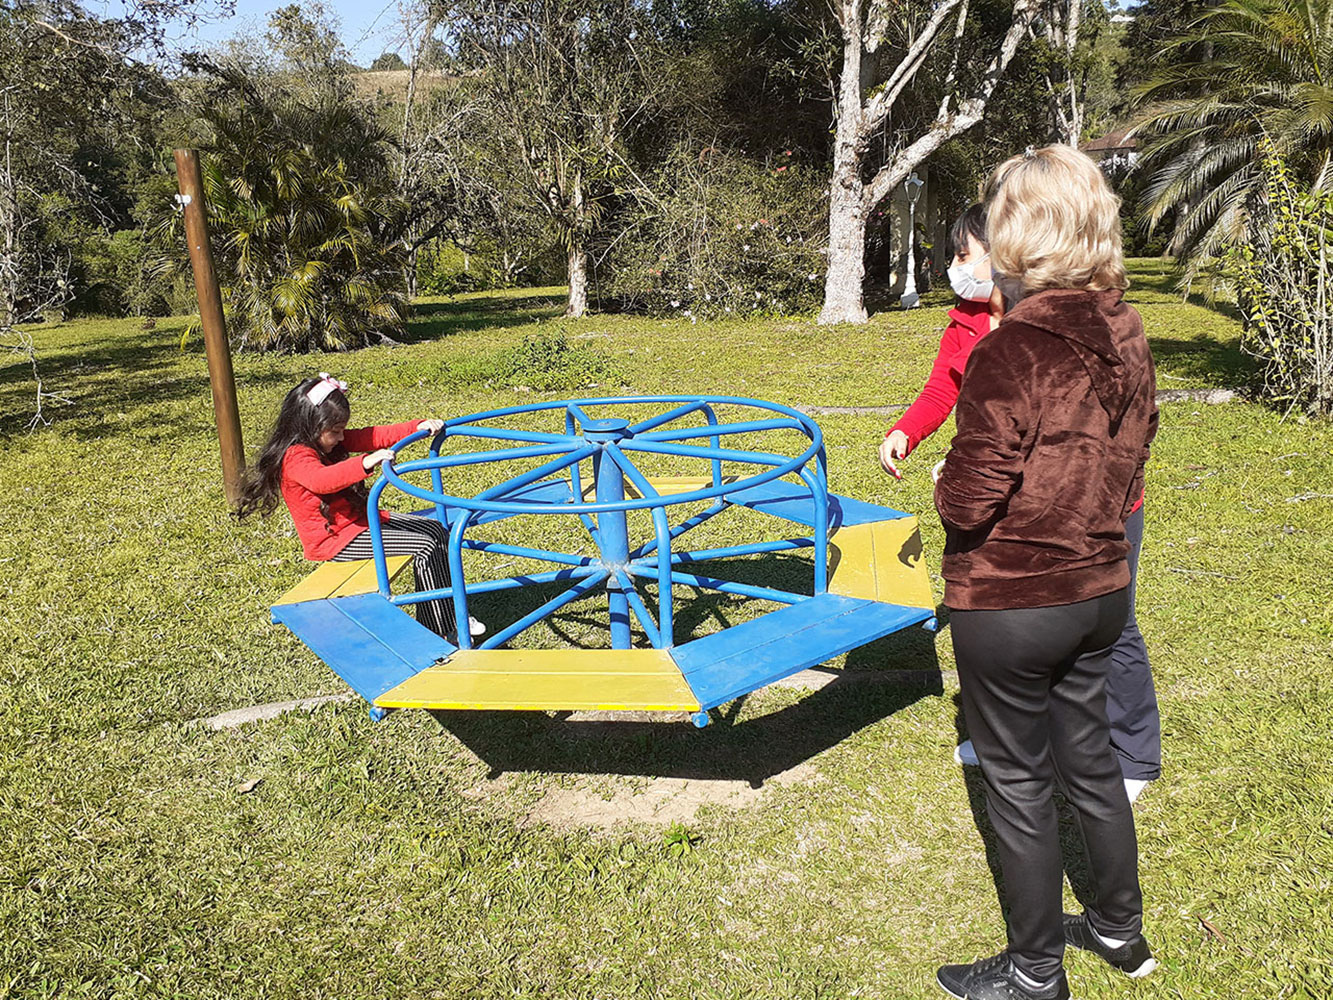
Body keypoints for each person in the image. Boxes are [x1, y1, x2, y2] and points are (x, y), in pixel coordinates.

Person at [932, 146, 1159, 1000]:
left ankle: (1033, 973)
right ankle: (1118, 930)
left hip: (1012, 599)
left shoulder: (1012, 348)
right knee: (1089, 761)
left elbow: (968, 499)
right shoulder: (1125, 328)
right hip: (1100, 588)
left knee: (1019, 784)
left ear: (1017, 232)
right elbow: (1132, 454)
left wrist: (947, 477)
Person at [880, 207, 1161, 804]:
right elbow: (944, 385)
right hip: (1001, 499)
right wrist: (910, 430)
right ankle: (1006, 740)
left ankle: (1133, 752)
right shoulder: (965, 321)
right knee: (1001, 621)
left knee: (1110, 624)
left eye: (963, 255)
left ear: (1005, 250)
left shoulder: (1064, 322)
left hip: (1092, 504)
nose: (956, 268)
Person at [236, 374, 472, 641]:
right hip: (336, 540)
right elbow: (322, 480)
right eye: (335, 431)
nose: (341, 437)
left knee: (436, 530)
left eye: (342, 430)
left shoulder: (327, 440)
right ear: (309, 425)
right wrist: (364, 463)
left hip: (359, 524)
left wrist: (417, 426)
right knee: (425, 546)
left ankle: (448, 615)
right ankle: (439, 630)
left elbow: (373, 435)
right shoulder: (295, 456)